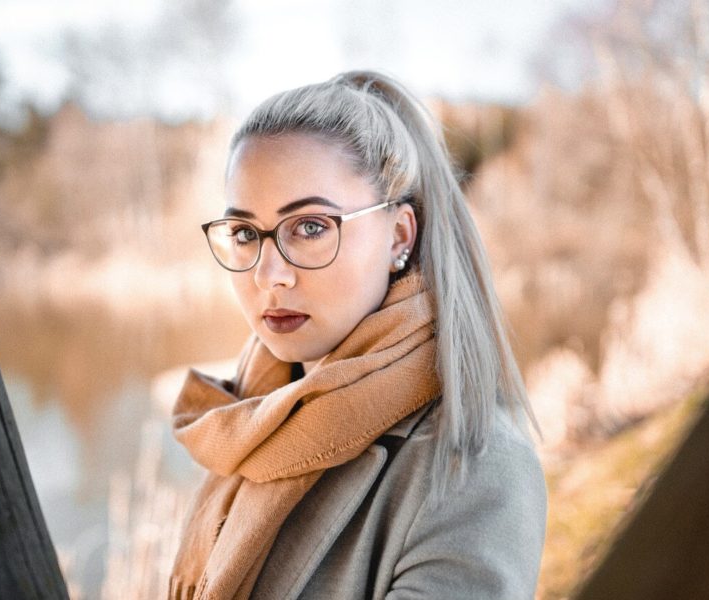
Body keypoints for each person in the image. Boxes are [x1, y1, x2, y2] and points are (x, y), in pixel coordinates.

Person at [169, 70, 547, 599]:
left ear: (398, 235)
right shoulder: (253, 424)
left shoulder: (473, 466)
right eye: (245, 233)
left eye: (310, 227)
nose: (267, 274)